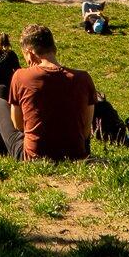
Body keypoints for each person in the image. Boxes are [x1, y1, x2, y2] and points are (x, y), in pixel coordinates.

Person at [7, 24, 98, 162]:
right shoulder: (83, 78)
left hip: (34, 155)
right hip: (75, 153)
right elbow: (86, 131)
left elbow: (17, 125)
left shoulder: (21, 76)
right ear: (54, 48)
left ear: (30, 53)